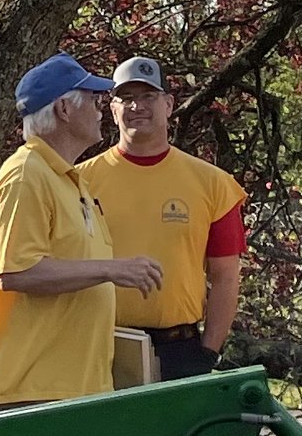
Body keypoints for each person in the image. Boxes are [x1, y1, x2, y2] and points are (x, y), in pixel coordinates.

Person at [0, 55, 164, 436]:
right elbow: (17, 273)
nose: (102, 106)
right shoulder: (25, 176)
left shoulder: (70, 179)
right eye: (93, 98)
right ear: (64, 110)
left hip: (85, 393)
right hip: (35, 394)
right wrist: (111, 270)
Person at [80, 58, 246, 380]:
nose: (136, 106)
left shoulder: (213, 184)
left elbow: (225, 276)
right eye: (126, 98)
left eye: (148, 97)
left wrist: (208, 352)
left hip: (179, 350)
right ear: (112, 110)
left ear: (169, 105)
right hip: (97, 345)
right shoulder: (78, 183)